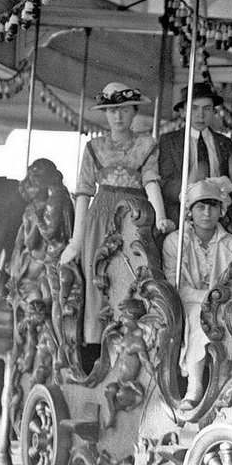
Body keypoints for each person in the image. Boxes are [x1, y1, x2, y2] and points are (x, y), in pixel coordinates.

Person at [60, 83, 166, 344]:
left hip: (134, 213)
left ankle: (133, 337)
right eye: (112, 111)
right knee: (98, 274)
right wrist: (76, 239)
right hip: (101, 214)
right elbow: (84, 191)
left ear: (134, 112)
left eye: (124, 110)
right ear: (105, 114)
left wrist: (161, 216)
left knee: (134, 274)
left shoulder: (146, 144)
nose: (118, 116)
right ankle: (95, 342)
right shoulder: (94, 147)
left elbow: (151, 180)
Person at [162, 177, 232, 409]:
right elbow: (175, 285)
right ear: (190, 211)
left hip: (224, 303)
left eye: (212, 206)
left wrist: (220, 299)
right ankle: (194, 385)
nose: (206, 213)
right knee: (200, 317)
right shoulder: (175, 242)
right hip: (187, 302)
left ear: (221, 210)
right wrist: (206, 298)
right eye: (200, 207)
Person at [156, 82, 232, 228]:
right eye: (194, 108)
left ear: (213, 112)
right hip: (182, 220)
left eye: (207, 109)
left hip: (219, 221)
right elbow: (165, 185)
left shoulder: (224, 143)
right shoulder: (169, 141)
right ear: (183, 111)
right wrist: (191, 186)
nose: (201, 115)